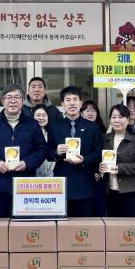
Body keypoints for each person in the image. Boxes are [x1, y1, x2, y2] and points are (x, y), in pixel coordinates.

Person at [0, 84, 47, 217]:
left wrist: (27, 163)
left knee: (23, 226)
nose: (13, 101)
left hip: (25, 186)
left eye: (17, 97)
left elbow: (42, 149)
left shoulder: (32, 124)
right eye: (9, 97)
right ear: (3, 101)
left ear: (22, 100)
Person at [47, 86, 102, 217]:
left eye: (75, 99)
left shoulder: (93, 127)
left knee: (84, 225)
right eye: (68, 100)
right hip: (62, 183)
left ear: (80, 103)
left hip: (85, 183)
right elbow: (48, 153)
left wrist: (84, 159)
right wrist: (56, 152)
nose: (72, 103)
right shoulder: (54, 127)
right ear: (62, 104)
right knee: (62, 225)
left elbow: (99, 153)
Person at [100, 104, 135, 218]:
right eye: (113, 117)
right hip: (111, 193)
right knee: (114, 226)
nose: (117, 120)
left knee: (133, 227)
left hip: (133, 194)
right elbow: (98, 159)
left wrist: (120, 168)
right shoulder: (105, 139)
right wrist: (100, 167)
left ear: (127, 119)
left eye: (121, 117)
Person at [80, 99, 107, 216]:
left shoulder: (103, 131)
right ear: (81, 113)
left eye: (93, 110)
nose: (90, 113)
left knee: (98, 209)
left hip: (100, 176)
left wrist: (99, 173)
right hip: (84, 175)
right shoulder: (77, 131)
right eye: (87, 110)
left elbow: (104, 154)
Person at [33, 104, 55, 177]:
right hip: (33, 175)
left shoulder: (53, 133)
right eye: (38, 115)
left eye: (44, 115)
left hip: (51, 174)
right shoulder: (28, 135)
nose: (41, 118)